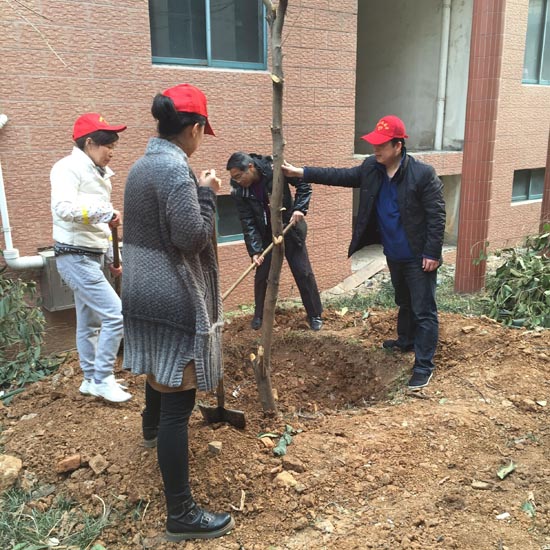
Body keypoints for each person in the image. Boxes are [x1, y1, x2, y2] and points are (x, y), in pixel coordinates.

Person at [121, 84, 235, 541]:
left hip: (141, 290)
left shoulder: (140, 166)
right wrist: (206, 193)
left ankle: (150, 431)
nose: (201, 138)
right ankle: (181, 513)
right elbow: (191, 237)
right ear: (193, 128)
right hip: (172, 295)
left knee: (158, 369)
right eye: (203, 130)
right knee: (178, 402)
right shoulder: (174, 171)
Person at [283, 115, 446, 390]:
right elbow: (341, 176)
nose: (375, 149)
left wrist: (432, 252)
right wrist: (302, 173)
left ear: (398, 146)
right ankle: (406, 342)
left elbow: (437, 216)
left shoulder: (422, 174)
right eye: (374, 144)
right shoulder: (372, 167)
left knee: (424, 310)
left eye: (381, 145)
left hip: (418, 256)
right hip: (394, 252)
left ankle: (423, 366)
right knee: (404, 301)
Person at [51, 113, 131, 403]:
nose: (112, 151)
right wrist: (104, 212)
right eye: (108, 145)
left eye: (114, 145)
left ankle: (90, 379)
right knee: (115, 314)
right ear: (89, 143)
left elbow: (101, 224)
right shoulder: (68, 168)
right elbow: (63, 208)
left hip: (90, 255)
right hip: (74, 255)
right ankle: (102, 378)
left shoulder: (98, 173)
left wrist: (110, 255)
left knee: (89, 322)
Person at [226, 152, 323, 331]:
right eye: (234, 178)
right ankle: (260, 314)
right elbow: (247, 220)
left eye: (239, 176)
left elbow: (303, 183)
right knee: (261, 276)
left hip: (289, 227)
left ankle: (315, 314)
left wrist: (300, 208)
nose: (237, 181)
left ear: (250, 167)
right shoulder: (238, 188)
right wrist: (255, 250)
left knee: (303, 272)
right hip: (265, 234)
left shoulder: (275, 167)